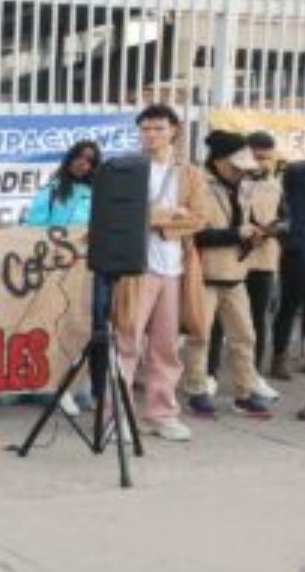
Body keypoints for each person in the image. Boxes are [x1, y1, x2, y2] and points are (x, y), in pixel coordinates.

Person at [110, 104, 208, 442]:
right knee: (126, 343)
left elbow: (199, 218)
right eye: (146, 129)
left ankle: (161, 414)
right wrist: (171, 214)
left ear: (174, 130)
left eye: (158, 128)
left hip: (175, 269)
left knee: (166, 347)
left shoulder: (190, 174)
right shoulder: (127, 168)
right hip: (136, 268)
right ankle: (116, 416)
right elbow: (123, 215)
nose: (151, 135)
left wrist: (159, 219)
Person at [179, 131, 272, 420]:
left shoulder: (244, 186)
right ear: (219, 161)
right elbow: (194, 233)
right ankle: (197, 392)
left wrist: (256, 233)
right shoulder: (198, 185)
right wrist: (236, 234)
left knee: (245, 336)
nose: (242, 172)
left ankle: (245, 393)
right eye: (236, 166)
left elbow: (245, 222)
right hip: (203, 275)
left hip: (235, 273)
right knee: (199, 337)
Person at [23, 140, 103, 415]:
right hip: (55, 268)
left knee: (86, 326)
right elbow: (32, 227)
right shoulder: (53, 190)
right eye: (79, 157)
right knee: (57, 326)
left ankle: (82, 386)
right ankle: (58, 387)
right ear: (69, 159)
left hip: (88, 268)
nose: (83, 163)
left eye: (90, 160)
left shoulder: (98, 193)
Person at [206, 132, 286, 395]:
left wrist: (271, 229)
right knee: (212, 325)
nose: (259, 164)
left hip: (258, 260)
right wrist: (240, 232)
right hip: (220, 264)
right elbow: (203, 230)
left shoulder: (273, 184)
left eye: (265, 158)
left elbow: (286, 218)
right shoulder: (211, 185)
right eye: (256, 157)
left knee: (252, 324)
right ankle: (208, 375)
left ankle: (251, 380)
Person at [272, 160, 305, 379]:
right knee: (289, 305)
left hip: (296, 246)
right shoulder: (298, 171)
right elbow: (287, 204)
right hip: (297, 249)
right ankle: (279, 357)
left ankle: (292, 357)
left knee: (291, 307)